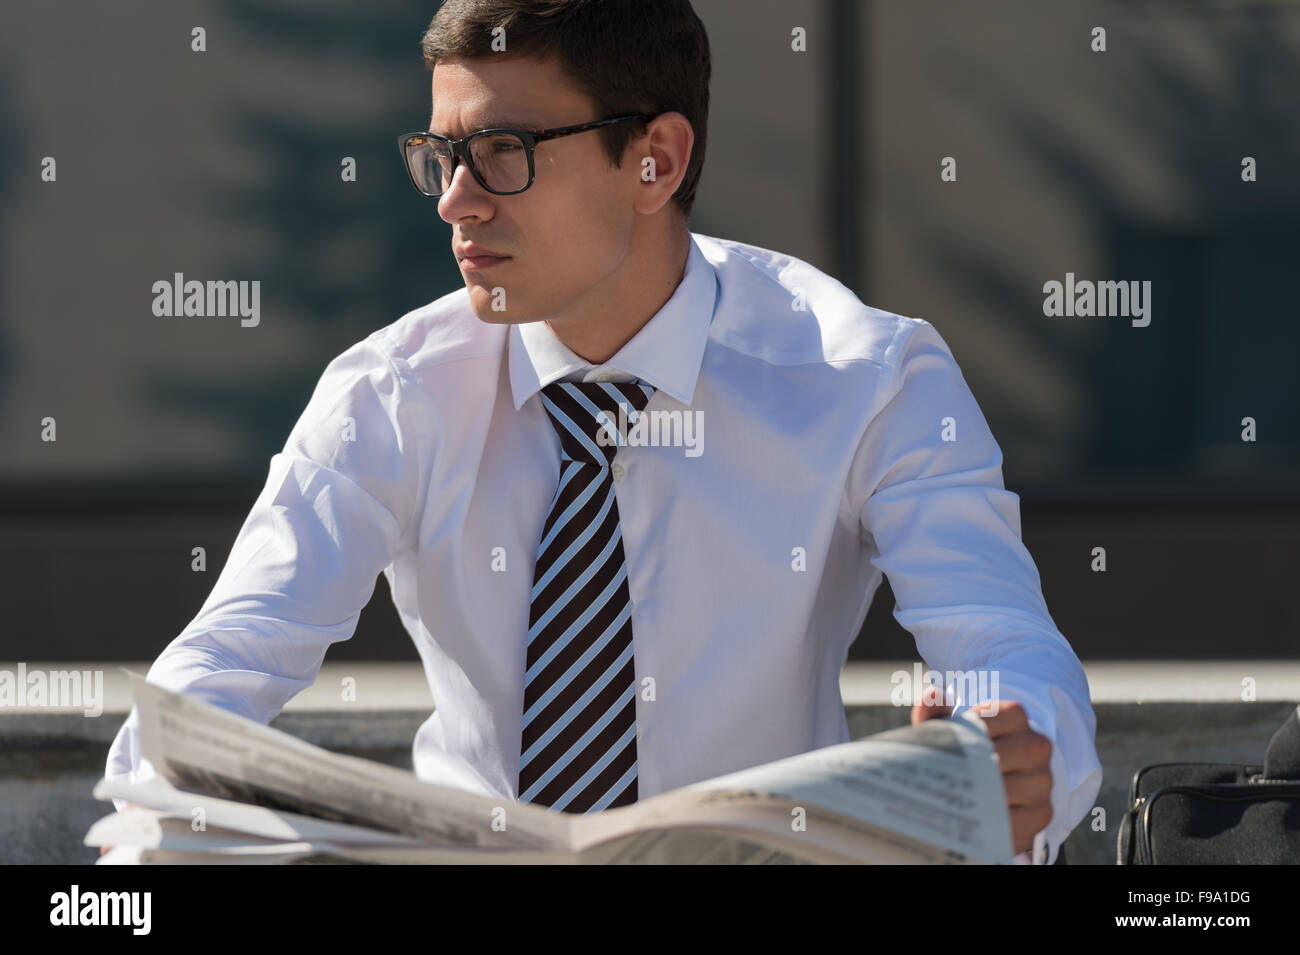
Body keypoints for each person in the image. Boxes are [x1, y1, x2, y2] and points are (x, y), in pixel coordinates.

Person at [104, 0, 1101, 864]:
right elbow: (228, 657)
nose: (457, 200)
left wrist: (1015, 751)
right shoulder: (391, 392)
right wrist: (150, 824)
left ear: (655, 160)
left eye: (502, 151)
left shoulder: (868, 377)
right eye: (440, 155)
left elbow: (1001, 642)